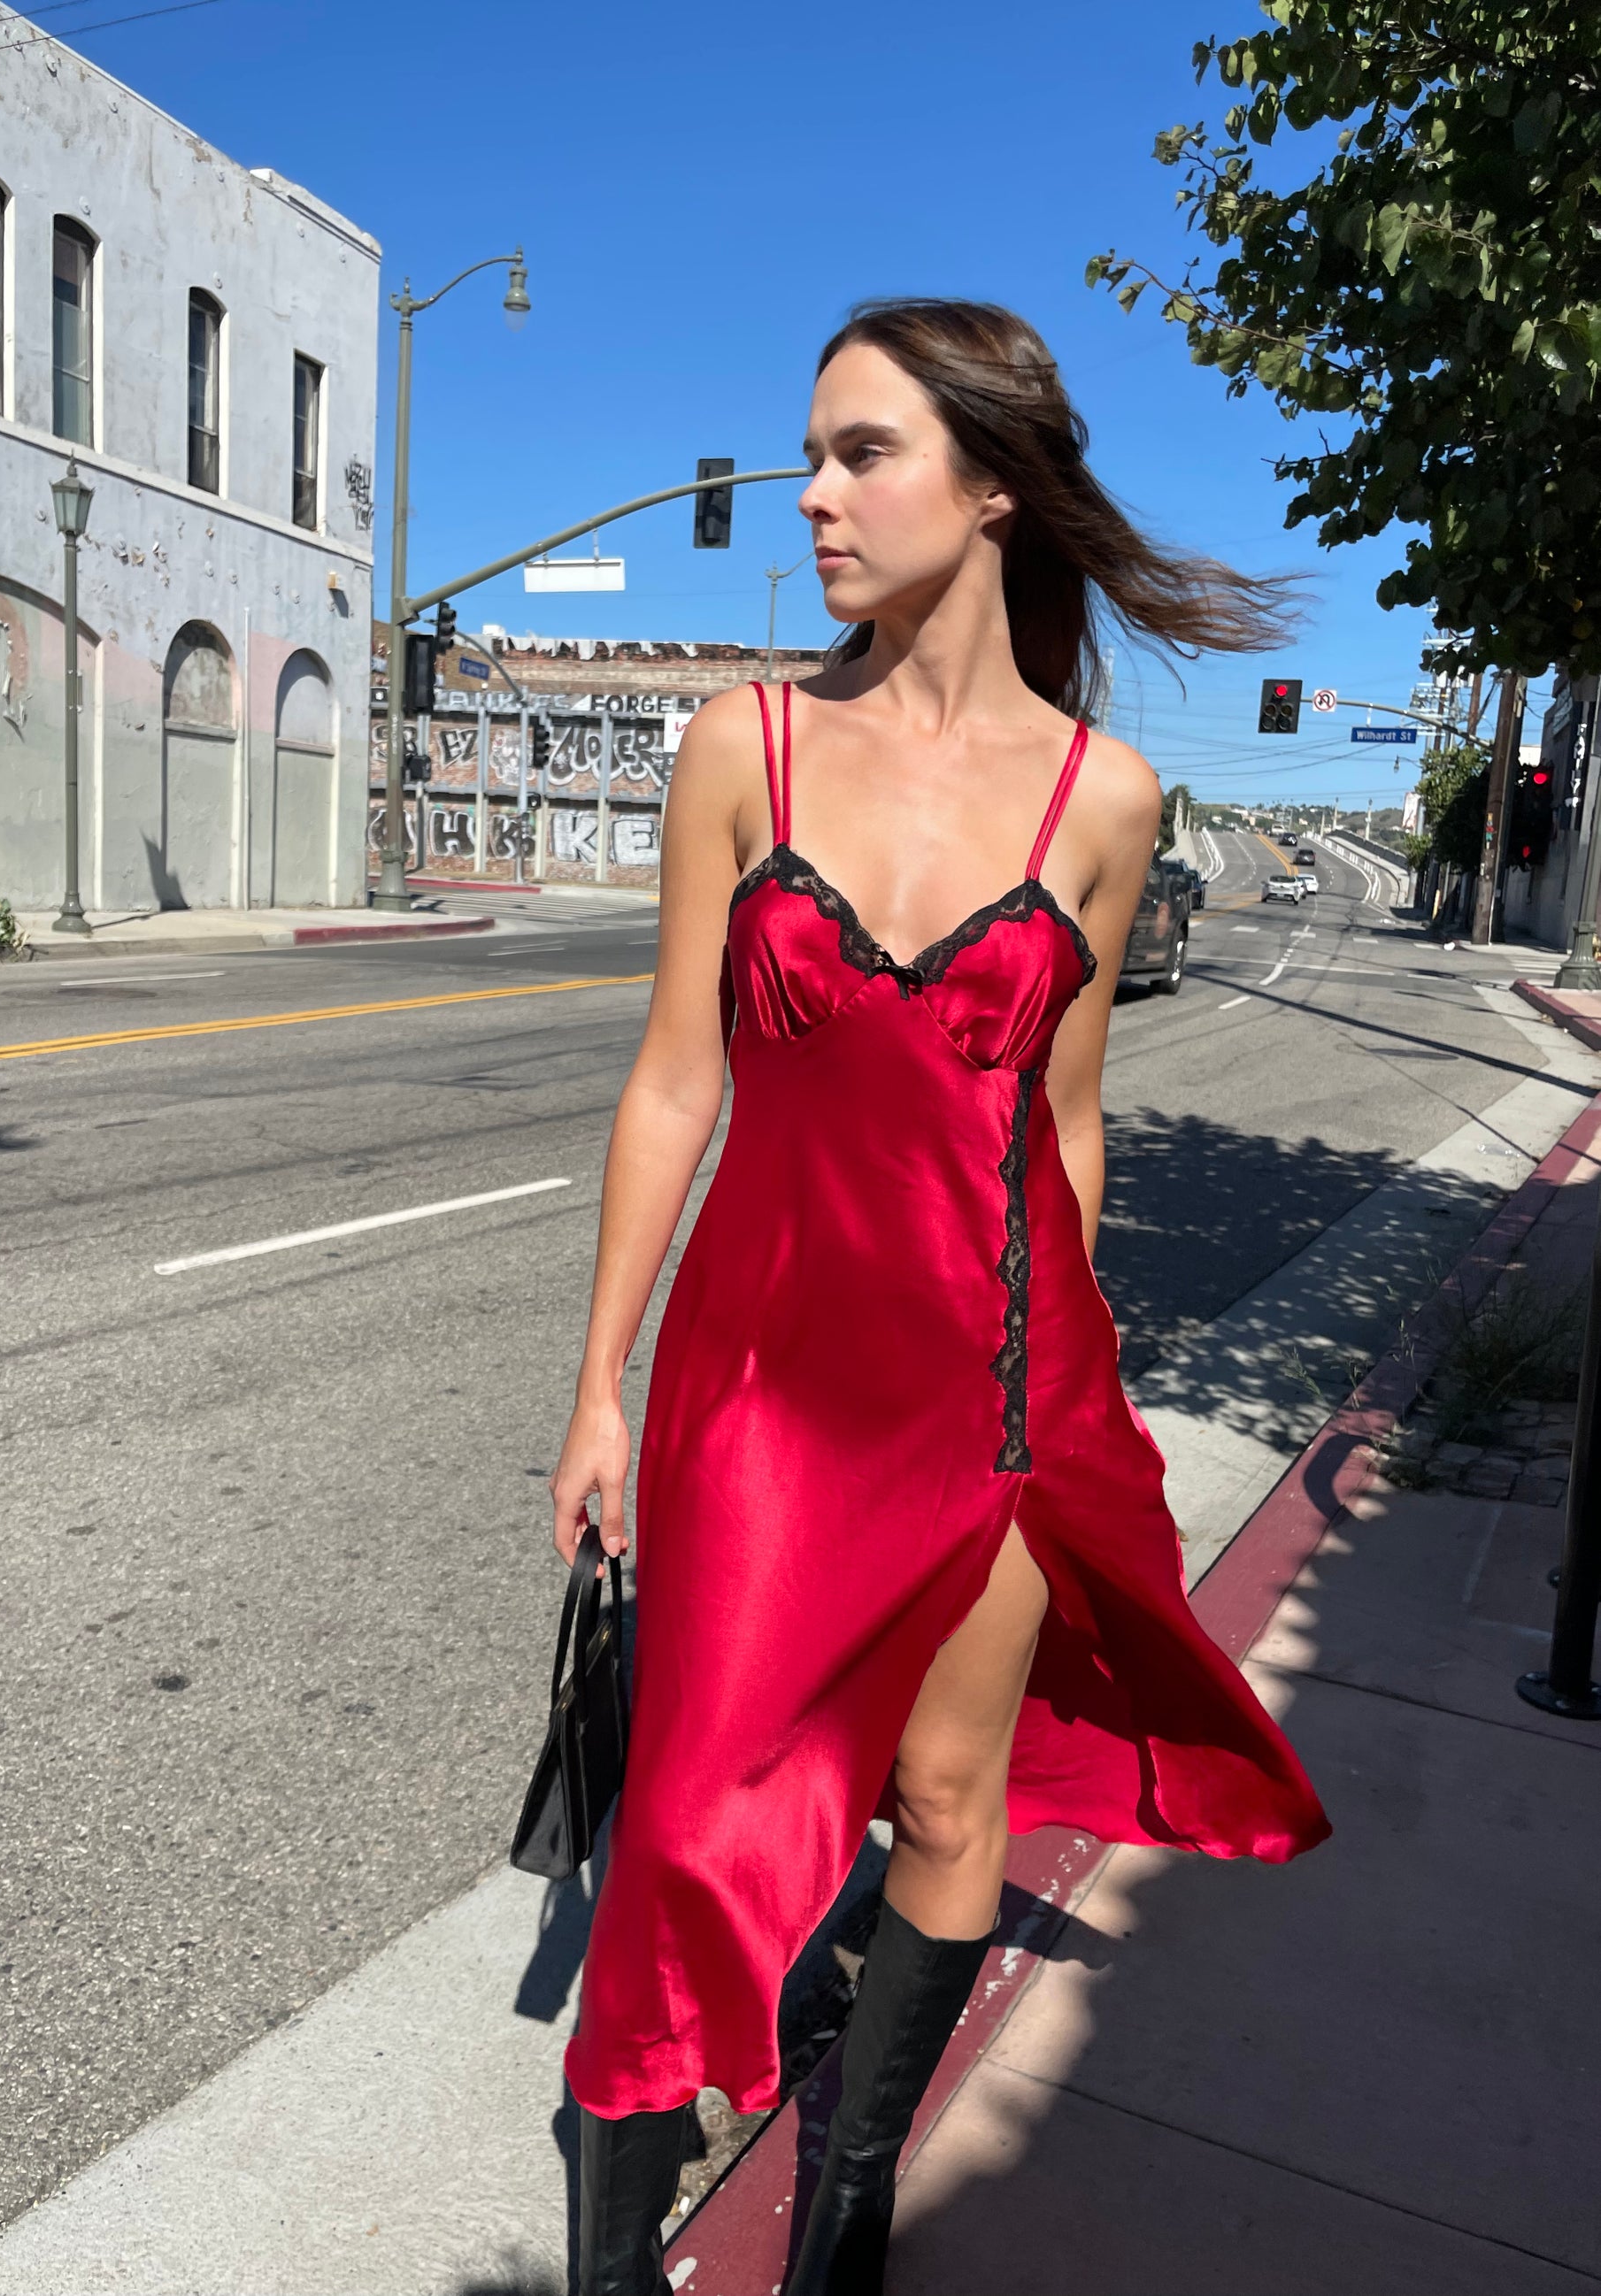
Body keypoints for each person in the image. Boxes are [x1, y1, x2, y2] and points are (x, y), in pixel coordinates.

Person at [550, 298, 1330, 2296]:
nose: (810, 494)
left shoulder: (1104, 800)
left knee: (947, 1788)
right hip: (756, 1387)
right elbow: (672, 1076)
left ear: (992, 485)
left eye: (859, 452)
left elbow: (1065, 1127)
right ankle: (614, 2253)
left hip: (990, 1380)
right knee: (689, 1831)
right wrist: (603, 1385)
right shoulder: (749, 745)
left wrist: (1078, 1397)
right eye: (807, 452)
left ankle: (841, 2231)